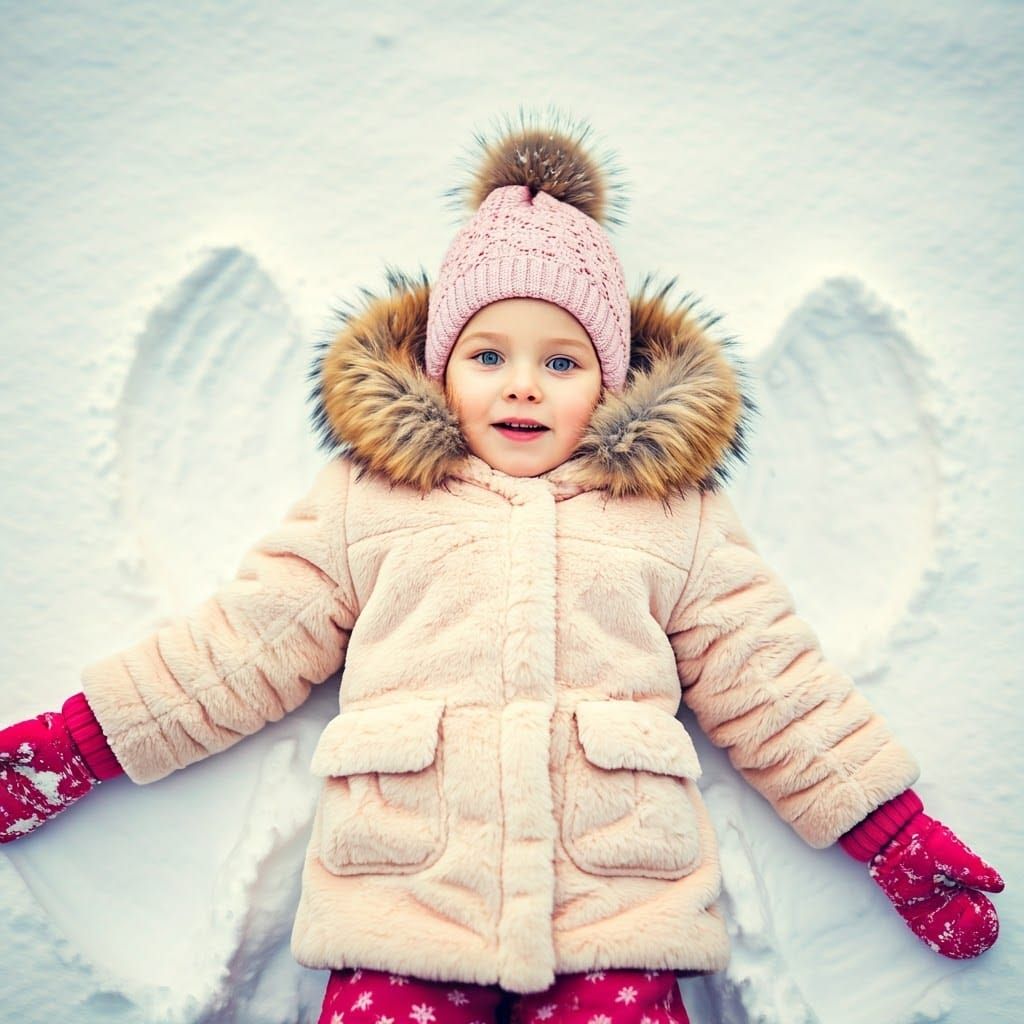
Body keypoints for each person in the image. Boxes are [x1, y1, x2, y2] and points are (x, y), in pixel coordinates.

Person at [0, 111, 1004, 1024]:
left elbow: (771, 681)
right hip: (403, 897)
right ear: (441, 365)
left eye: (561, 362)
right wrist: (79, 745)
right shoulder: (374, 497)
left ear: (609, 379)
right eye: (488, 354)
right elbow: (243, 644)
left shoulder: (671, 512)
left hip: (617, 907)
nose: (522, 385)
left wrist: (891, 830)